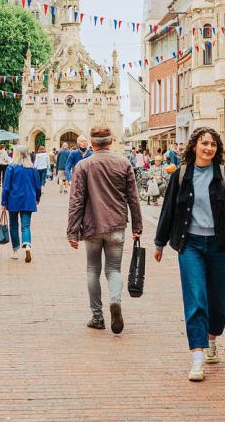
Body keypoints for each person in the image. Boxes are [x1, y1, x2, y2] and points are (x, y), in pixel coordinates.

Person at [154, 126, 225, 382]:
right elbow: (168, 210)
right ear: (194, 146)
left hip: (220, 245)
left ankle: (211, 340)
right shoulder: (181, 175)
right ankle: (197, 357)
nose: (208, 148)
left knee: (218, 303)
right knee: (196, 298)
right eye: (204, 143)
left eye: (212, 144)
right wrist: (159, 242)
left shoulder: (224, 176)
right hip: (190, 245)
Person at [67, 126, 143, 335]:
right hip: (116, 224)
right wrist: (137, 226)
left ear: (91, 144)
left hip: (92, 226)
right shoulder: (124, 163)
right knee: (114, 269)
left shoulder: (83, 166)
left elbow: (76, 201)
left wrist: (72, 231)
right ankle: (115, 301)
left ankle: (97, 316)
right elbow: (133, 198)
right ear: (111, 141)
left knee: (93, 270)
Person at [1, 144, 41, 261]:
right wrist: (37, 198)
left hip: (13, 199)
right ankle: (27, 245)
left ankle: (15, 250)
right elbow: (37, 186)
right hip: (28, 200)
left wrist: (3, 202)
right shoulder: (32, 168)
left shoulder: (11, 168)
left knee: (14, 225)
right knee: (26, 225)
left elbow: (6, 187)